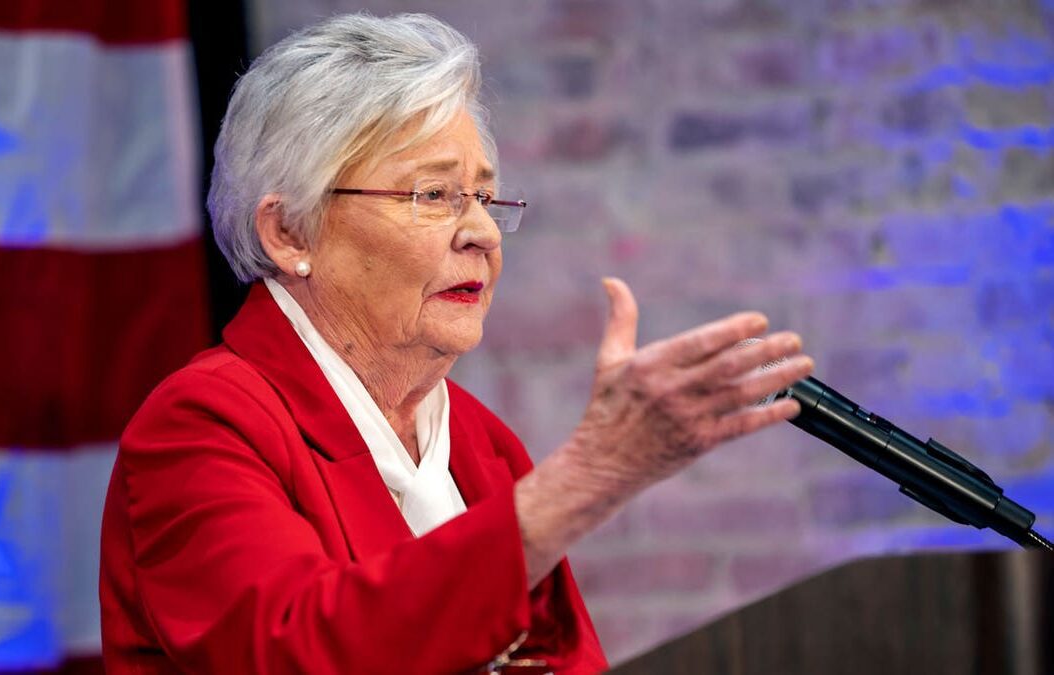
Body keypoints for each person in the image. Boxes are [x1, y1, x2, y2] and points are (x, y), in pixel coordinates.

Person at [99, 12, 813, 674]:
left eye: (483, 196)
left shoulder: (480, 443)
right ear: (288, 232)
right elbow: (301, 646)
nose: (484, 233)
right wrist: (586, 478)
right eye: (433, 196)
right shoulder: (201, 425)